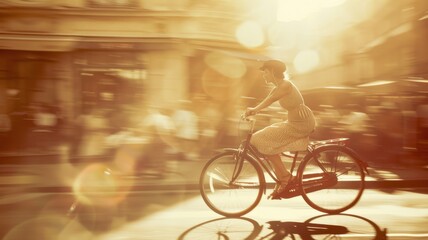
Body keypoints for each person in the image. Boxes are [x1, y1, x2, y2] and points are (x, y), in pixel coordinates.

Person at [244, 59, 316, 199]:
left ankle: (285, 177)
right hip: (294, 122)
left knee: (261, 139)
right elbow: (268, 99)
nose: (263, 75)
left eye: (265, 72)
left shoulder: (285, 85)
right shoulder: (278, 87)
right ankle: (283, 177)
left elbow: (269, 101)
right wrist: (254, 110)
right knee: (265, 142)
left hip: (301, 123)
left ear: (271, 72)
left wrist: (254, 109)